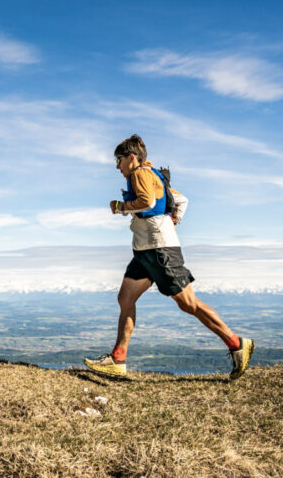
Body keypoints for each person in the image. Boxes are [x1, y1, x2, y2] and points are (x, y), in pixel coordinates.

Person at [84, 134, 254, 380]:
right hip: (145, 251)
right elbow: (181, 200)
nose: (117, 167)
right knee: (125, 298)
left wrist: (121, 207)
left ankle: (237, 344)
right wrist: (173, 221)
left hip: (159, 250)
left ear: (131, 158)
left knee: (189, 304)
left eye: (118, 160)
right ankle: (117, 359)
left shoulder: (140, 174)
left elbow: (147, 201)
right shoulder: (153, 176)